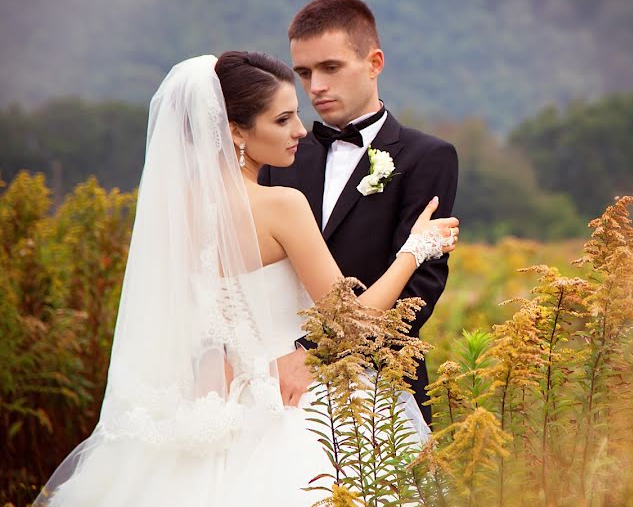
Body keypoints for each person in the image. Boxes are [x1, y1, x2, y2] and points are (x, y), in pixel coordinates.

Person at [36, 52, 459, 506]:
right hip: (296, 408)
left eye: (296, 114)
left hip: (212, 409)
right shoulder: (282, 205)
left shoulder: (175, 213)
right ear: (235, 131)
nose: (300, 129)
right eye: (283, 120)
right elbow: (353, 323)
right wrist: (414, 251)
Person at [260, 0, 459, 425]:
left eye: (330, 68)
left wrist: (309, 355)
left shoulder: (428, 158)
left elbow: (415, 298)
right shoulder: (279, 157)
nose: (315, 87)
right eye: (305, 73)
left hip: (382, 391)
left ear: (374, 63)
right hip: (277, 389)